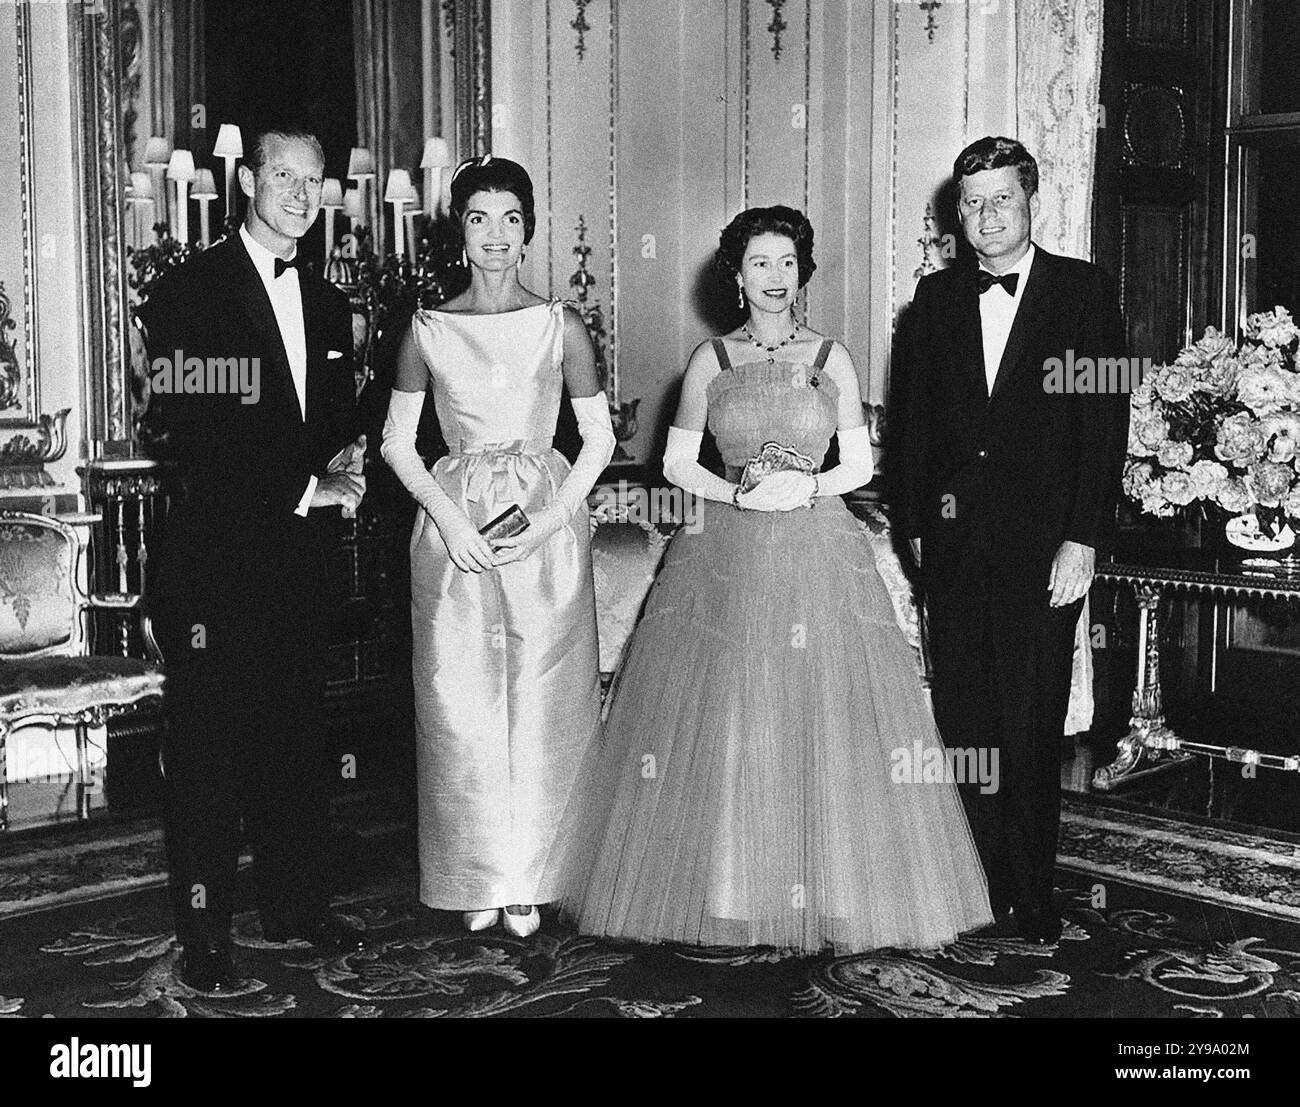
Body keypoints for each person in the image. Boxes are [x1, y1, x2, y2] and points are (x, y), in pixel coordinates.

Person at [546, 206, 992, 954]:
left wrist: (807, 485)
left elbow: (860, 461)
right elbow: (677, 462)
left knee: (825, 713)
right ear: (737, 275)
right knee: (737, 711)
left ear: (802, 271)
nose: (775, 277)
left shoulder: (832, 357)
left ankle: (836, 888)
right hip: (727, 550)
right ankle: (734, 889)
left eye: (787, 262)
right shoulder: (711, 360)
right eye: (760, 263)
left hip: (819, 549)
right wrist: (739, 494)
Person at [139, 123, 369, 993]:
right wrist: (304, 487)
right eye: (284, 176)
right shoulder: (186, 294)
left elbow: (332, 417)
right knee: (210, 756)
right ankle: (205, 936)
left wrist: (349, 459)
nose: (302, 195)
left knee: (294, 739)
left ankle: (295, 905)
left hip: (300, 562)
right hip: (216, 565)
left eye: (314, 181)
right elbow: (189, 431)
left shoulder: (330, 304)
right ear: (246, 181)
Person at [894, 137, 1129, 943]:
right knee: (965, 720)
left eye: (1001, 198)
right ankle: (975, 883)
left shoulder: (1083, 291)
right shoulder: (933, 300)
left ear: (1032, 202)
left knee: (1029, 720)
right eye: (972, 202)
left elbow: (1104, 423)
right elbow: (915, 422)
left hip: (1045, 548)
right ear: (956, 214)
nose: (987, 215)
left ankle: (1031, 890)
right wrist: (916, 524)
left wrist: (1084, 539)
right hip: (954, 545)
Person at [381, 155, 615, 939]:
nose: (495, 235)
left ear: (528, 229)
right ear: (460, 230)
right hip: (455, 528)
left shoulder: (560, 324)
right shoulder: (427, 329)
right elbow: (396, 443)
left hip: (543, 526)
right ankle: (479, 872)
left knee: (546, 699)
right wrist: (449, 521)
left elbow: (598, 438)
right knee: (460, 701)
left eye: (510, 218)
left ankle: (534, 879)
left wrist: (550, 520)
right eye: (479, 218)